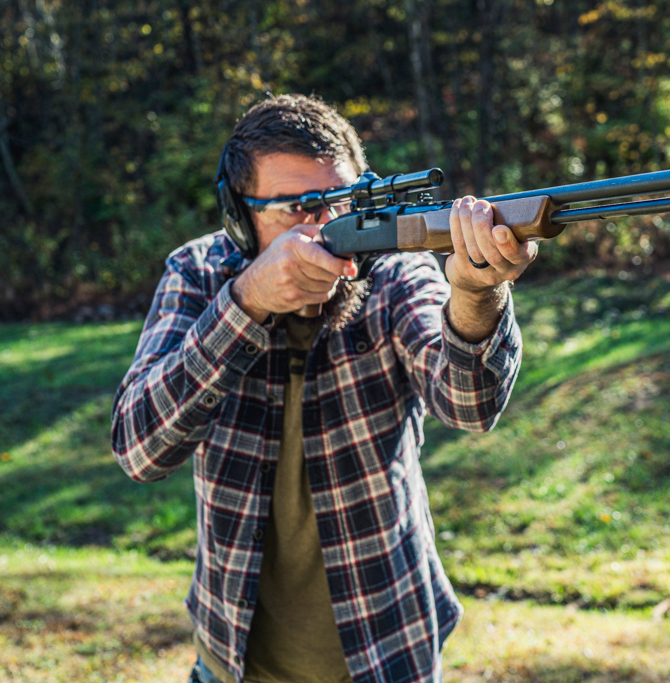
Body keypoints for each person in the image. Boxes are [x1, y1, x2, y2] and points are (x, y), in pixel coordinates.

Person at [110, 94, 537, 683]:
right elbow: (139, 448)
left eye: (338, 202)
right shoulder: (199, 273)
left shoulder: (391, 271)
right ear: (240, 214)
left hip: (389, 653)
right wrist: (247, 302)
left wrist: (474, 292)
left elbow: (470, 404)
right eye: (295, 207)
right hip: (232, 662)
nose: (322, 228)